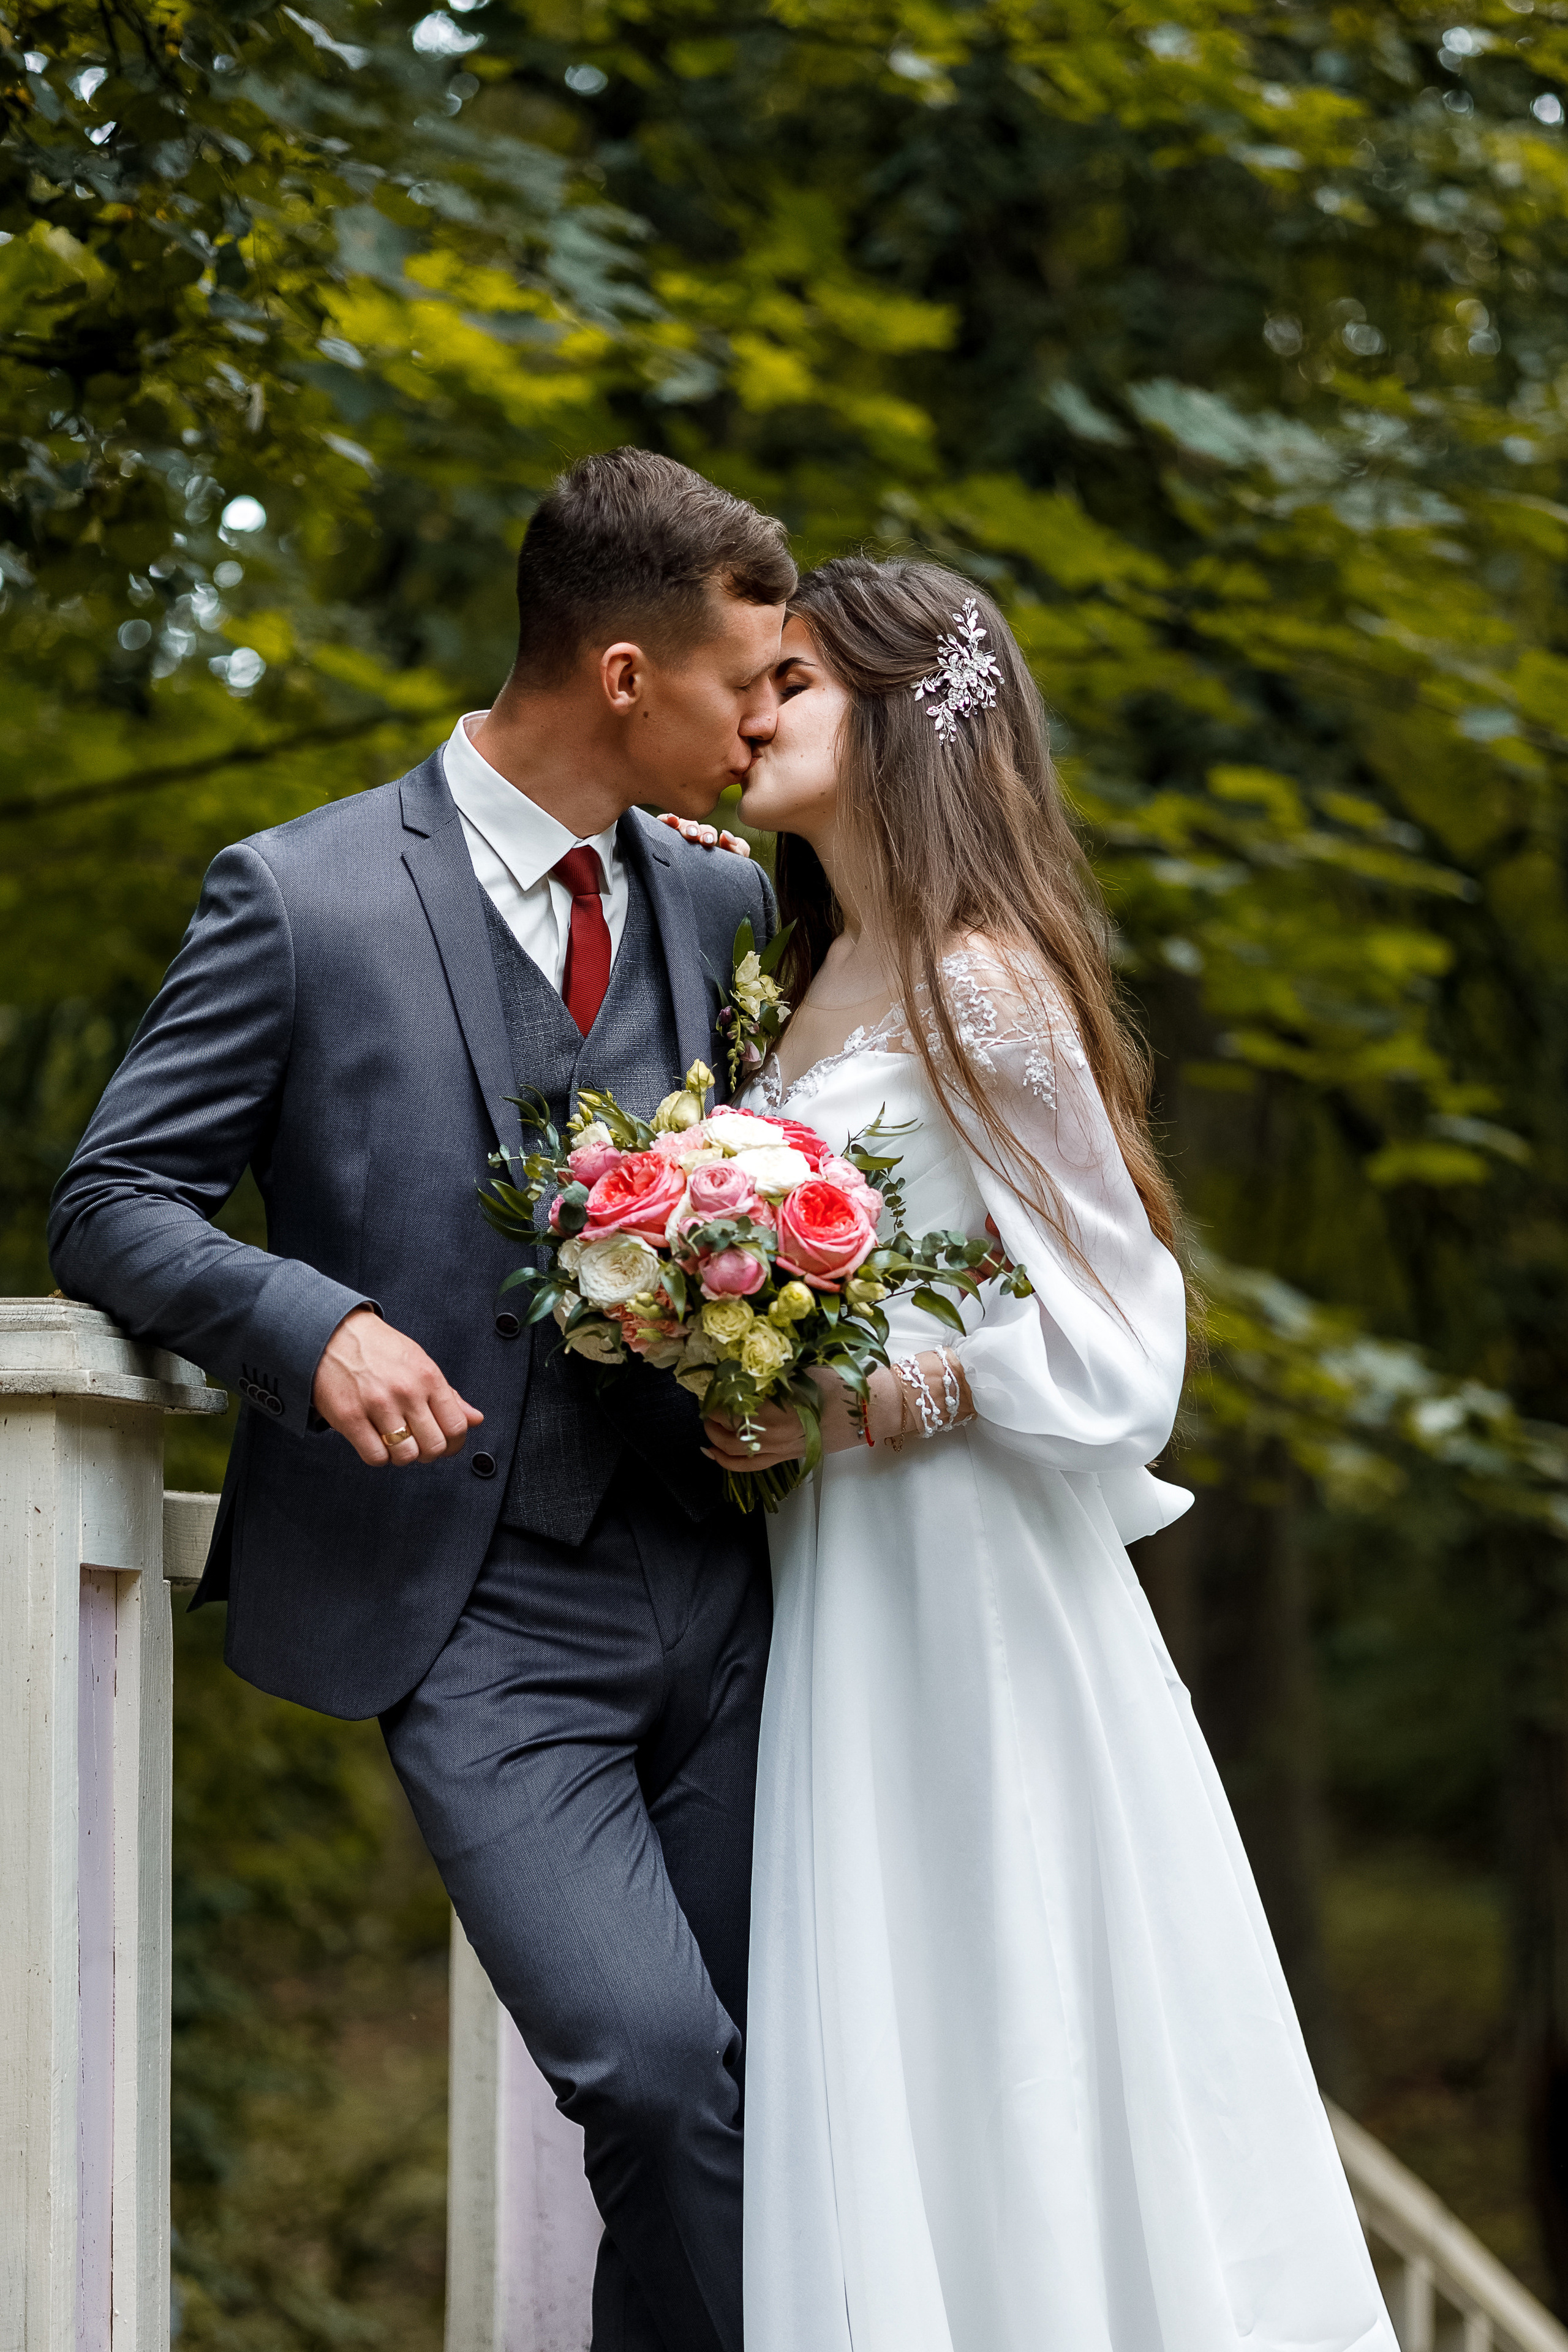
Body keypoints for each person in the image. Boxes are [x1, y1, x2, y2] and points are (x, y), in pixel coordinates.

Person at [49, 448, 795, 2352]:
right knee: (644, 2065)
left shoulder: (720, 909)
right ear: (625, 674)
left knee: (752, 2098)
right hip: (474, 1615)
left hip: (730, 1594)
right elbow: (112, 1200)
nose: (764, 726)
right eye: (742, 685)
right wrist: (306, 1323)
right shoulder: (298, 897)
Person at [703, 556, 1400, 2352]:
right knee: (888, 2009)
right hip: (834, 1580)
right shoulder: (798, 980)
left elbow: (1124, 1339)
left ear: (898, 719)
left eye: (794, 682)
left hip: (973, 1585)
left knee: (1007, 1987)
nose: (755, 711)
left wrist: (870, 1398)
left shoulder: (981, 982)